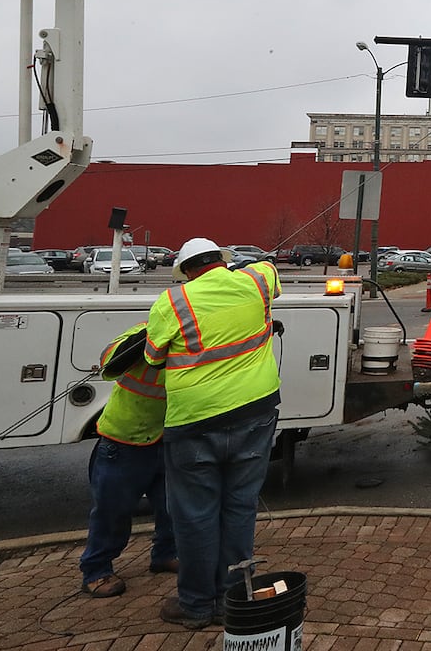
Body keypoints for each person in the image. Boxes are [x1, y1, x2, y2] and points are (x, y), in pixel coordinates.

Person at [144, 237, 281, 630]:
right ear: (222, 260)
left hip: (194, 422)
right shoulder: (256, 281)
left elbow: (153, 357)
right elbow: (268, 267)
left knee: (195, 515)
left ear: (186, 271)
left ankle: (197, 605)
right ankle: (234, 597)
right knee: (240, 508)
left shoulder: (173, 302)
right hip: (254, 413)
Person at [78, 321, 177, 597]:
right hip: (125, 438)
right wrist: (145, 338)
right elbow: (108, 362)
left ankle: (166, 554)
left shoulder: (196, 341)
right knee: (113, 510)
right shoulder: (147, 330)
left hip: (165, 437)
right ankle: (96, 570)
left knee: (172, 505)